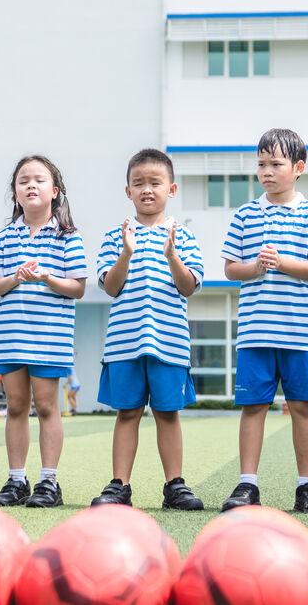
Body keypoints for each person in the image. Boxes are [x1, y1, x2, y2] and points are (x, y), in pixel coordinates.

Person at [218, 129, 308, 514]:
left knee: (303, 407)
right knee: (254, 406)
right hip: (255, 331)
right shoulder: (246, 214)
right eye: (261, 164)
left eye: (276, 164)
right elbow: (231, 269)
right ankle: (247, 483)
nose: (267, 171)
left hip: (300, 333)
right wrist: (254, 266)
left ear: (298, 168)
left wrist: (281, 262)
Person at [91, 149, 205, 511]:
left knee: (167, 413)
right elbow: (110, 287)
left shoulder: (183, 236)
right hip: (125, 343)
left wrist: (172, 255)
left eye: (155, 183)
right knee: (127, 412)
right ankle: (119, 485)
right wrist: (126, 253)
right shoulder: (115, 236)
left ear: (171, 189)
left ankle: (175, 485)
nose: (147, 190)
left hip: (169, 343)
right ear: (128, 191)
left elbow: (188, 286)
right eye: (138, 183)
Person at [0, 155, 87, 509]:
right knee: (15, 406)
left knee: (46, 406)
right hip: (11, 336)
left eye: (39, 180)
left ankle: (48, 482)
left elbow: (77, 287)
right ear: (15, 192)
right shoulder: (4, 236)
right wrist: (16, 276)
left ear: (54, 191)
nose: (31, 185)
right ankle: (17, 480)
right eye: (23, 180)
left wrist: (46, 277)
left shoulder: (67, 238)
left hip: (50, 336)